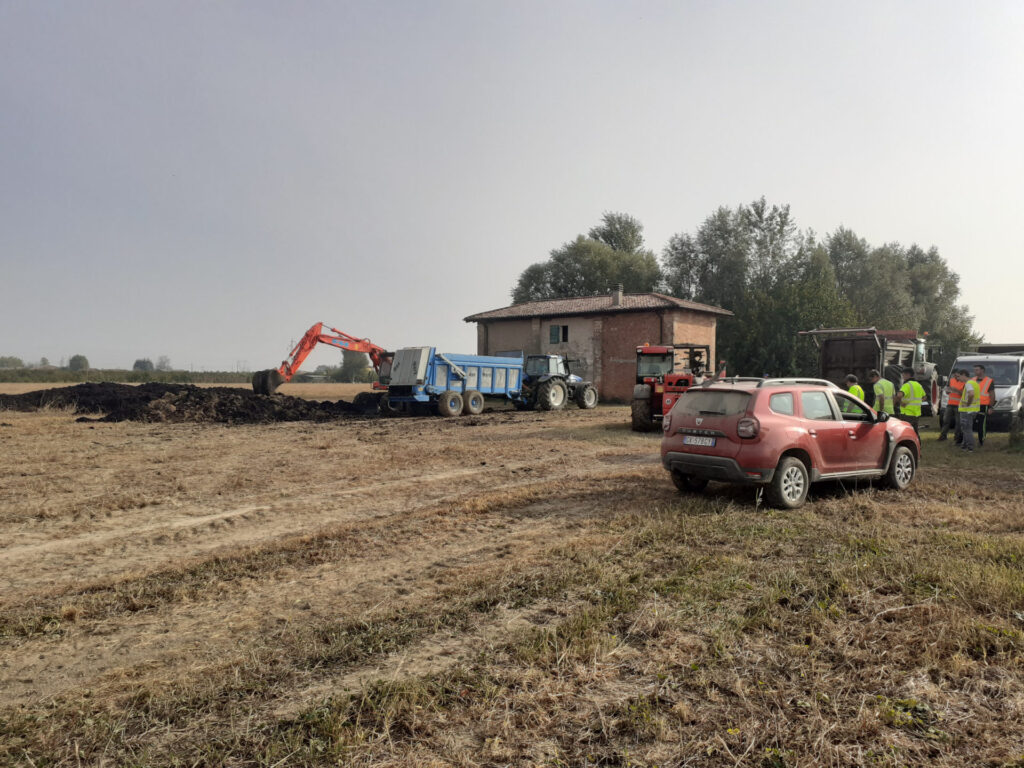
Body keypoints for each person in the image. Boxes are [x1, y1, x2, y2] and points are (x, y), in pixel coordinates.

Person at [895, 368, 925, 436]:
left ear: (907, 374)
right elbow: (924, 397)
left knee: (906, 432)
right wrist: (917, 402)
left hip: (906, 413)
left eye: (903, 375)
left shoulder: (906, 385)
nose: (902, 377)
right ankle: (918, 445)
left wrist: (901, 403)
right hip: (916, 413)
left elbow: (899, 395)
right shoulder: (918, 385)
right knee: (915, 432)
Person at [958, 370, 981, 453]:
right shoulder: (975, 383)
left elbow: (971, 394)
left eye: (959, 376)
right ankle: (964, 446)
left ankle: (970, 447)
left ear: (964, 375)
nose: (958, 378)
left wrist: (967, 404)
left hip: (967, 411)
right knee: (966, 429)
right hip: (973, 410)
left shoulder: (968, 384)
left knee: (967, 429)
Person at [938, 369, 964, 441]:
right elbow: (948, 390)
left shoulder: (963, 382)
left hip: (959, 405)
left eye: (957, 374)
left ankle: (957, 437)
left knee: (958, 422)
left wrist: (956, 390)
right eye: (954, 374)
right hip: (950, 404)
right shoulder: (951, 380)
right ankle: (943, 436)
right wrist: (947, 391)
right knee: (945, 420)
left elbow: (964, 394)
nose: (955, 376)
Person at [973, 364, 994, 447]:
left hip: (983, 405)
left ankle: (981, 440)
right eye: (974, 370)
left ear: (982, 371)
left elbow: (992, 395)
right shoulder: (973, 380)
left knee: (981, 424)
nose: (975, 371)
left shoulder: (989, 381)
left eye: (977, 370)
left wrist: (990, 407)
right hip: (973, 405)